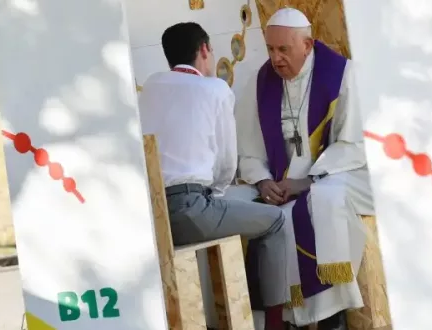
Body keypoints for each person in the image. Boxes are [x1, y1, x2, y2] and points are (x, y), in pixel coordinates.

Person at [137, 22, 298, 330]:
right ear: (205, 50)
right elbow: (226, 163)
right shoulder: (216, 88)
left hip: (153, 214)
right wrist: (217, 190)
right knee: (274, 221)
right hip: (190, 210)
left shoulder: (152, 85)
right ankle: (274, 324)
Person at [231, 7, 374, 330]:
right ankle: (279, 318)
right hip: (279, 184)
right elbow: (249, 149)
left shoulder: (341, 75)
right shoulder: (261, 82)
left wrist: (307, 180)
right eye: (270, 49)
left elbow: (352, 144)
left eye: (284, 49)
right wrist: (264, 181)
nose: (276, 58)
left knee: (324, 201)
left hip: (333, 173)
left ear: (307, 45)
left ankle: (332, 317)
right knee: (235, 202)